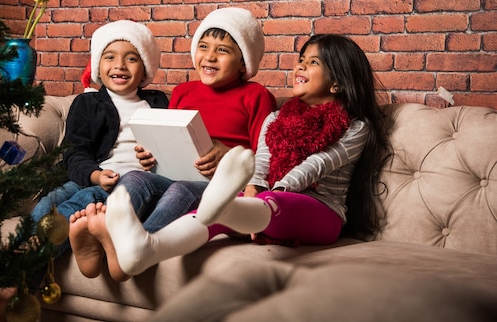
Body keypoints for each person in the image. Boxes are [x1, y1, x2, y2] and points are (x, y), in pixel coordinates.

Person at [95, 34, 390, 277]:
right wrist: (253, 187)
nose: (300, 67)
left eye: (312, 63)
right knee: (214, 216)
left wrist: (269, 193)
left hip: (320, 211)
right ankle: (145, 250)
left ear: (337, 83)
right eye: (300, 60)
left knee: (248, 205)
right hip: (262, 202)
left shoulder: (354, 125)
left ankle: (228, 204)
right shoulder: (275, 118)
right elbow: (261, 160)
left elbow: (319, 163)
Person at [68, 7, 277, 280]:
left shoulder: (256, 95)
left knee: (180, 189)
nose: (210, 56)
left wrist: (227, 154)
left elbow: (265, 154)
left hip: (218, 188)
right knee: (135, 178)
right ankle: (106, 235)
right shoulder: (182, 92)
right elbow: (165, 136)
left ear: (243, 62)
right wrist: (149, 154)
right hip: (171, 174)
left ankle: (131, 250)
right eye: (203, 46)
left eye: (223, 51)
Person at [0, 19, 167, 322]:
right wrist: (94, 174)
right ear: (98, 65)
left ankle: (15, 281)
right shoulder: (88, 103)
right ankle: (19, 268)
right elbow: (74, 152)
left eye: (131, 58)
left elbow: (171, 150)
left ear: (145, 67)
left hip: (129, 183)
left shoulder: (160, 104)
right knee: (50, 201)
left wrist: (154, 157)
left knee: (73, 206)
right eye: (109, 57)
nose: (119, 65)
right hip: (92, 174)